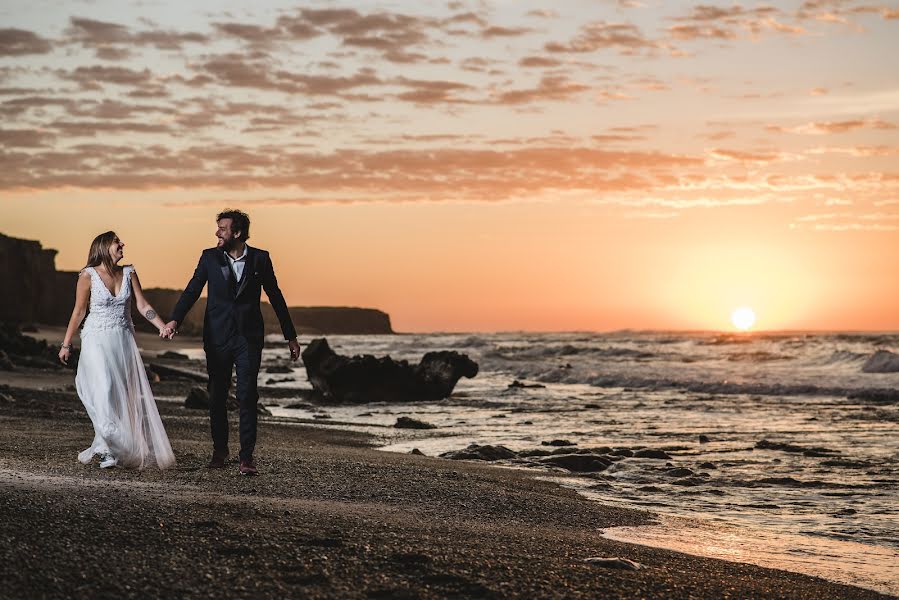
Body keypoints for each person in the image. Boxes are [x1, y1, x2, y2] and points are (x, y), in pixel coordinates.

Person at [165, 210, 300, 476]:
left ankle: (246, 458)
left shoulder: (261, 259)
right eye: (217, 228)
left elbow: (275, 295)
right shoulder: (209, 257)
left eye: (222, 229)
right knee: (216, 395)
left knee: (248, 395)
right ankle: (220, 450)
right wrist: (174, 321)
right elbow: (193, 290)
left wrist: (290, 336)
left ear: (237, 233)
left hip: (248, 338)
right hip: (217, 337)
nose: (217, 233)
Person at [59, 231, 176, 470]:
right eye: (117, 242)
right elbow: (79, 312)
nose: (123, 244)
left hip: (122, 341)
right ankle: (107, 449)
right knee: (105, 388)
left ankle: (108, 448)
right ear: (104, 246)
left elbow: (143, 306)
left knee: (118, 393)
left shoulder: (129, 273)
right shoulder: (87, 276)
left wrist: (162, 326)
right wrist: (66, 343)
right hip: (96, 339)